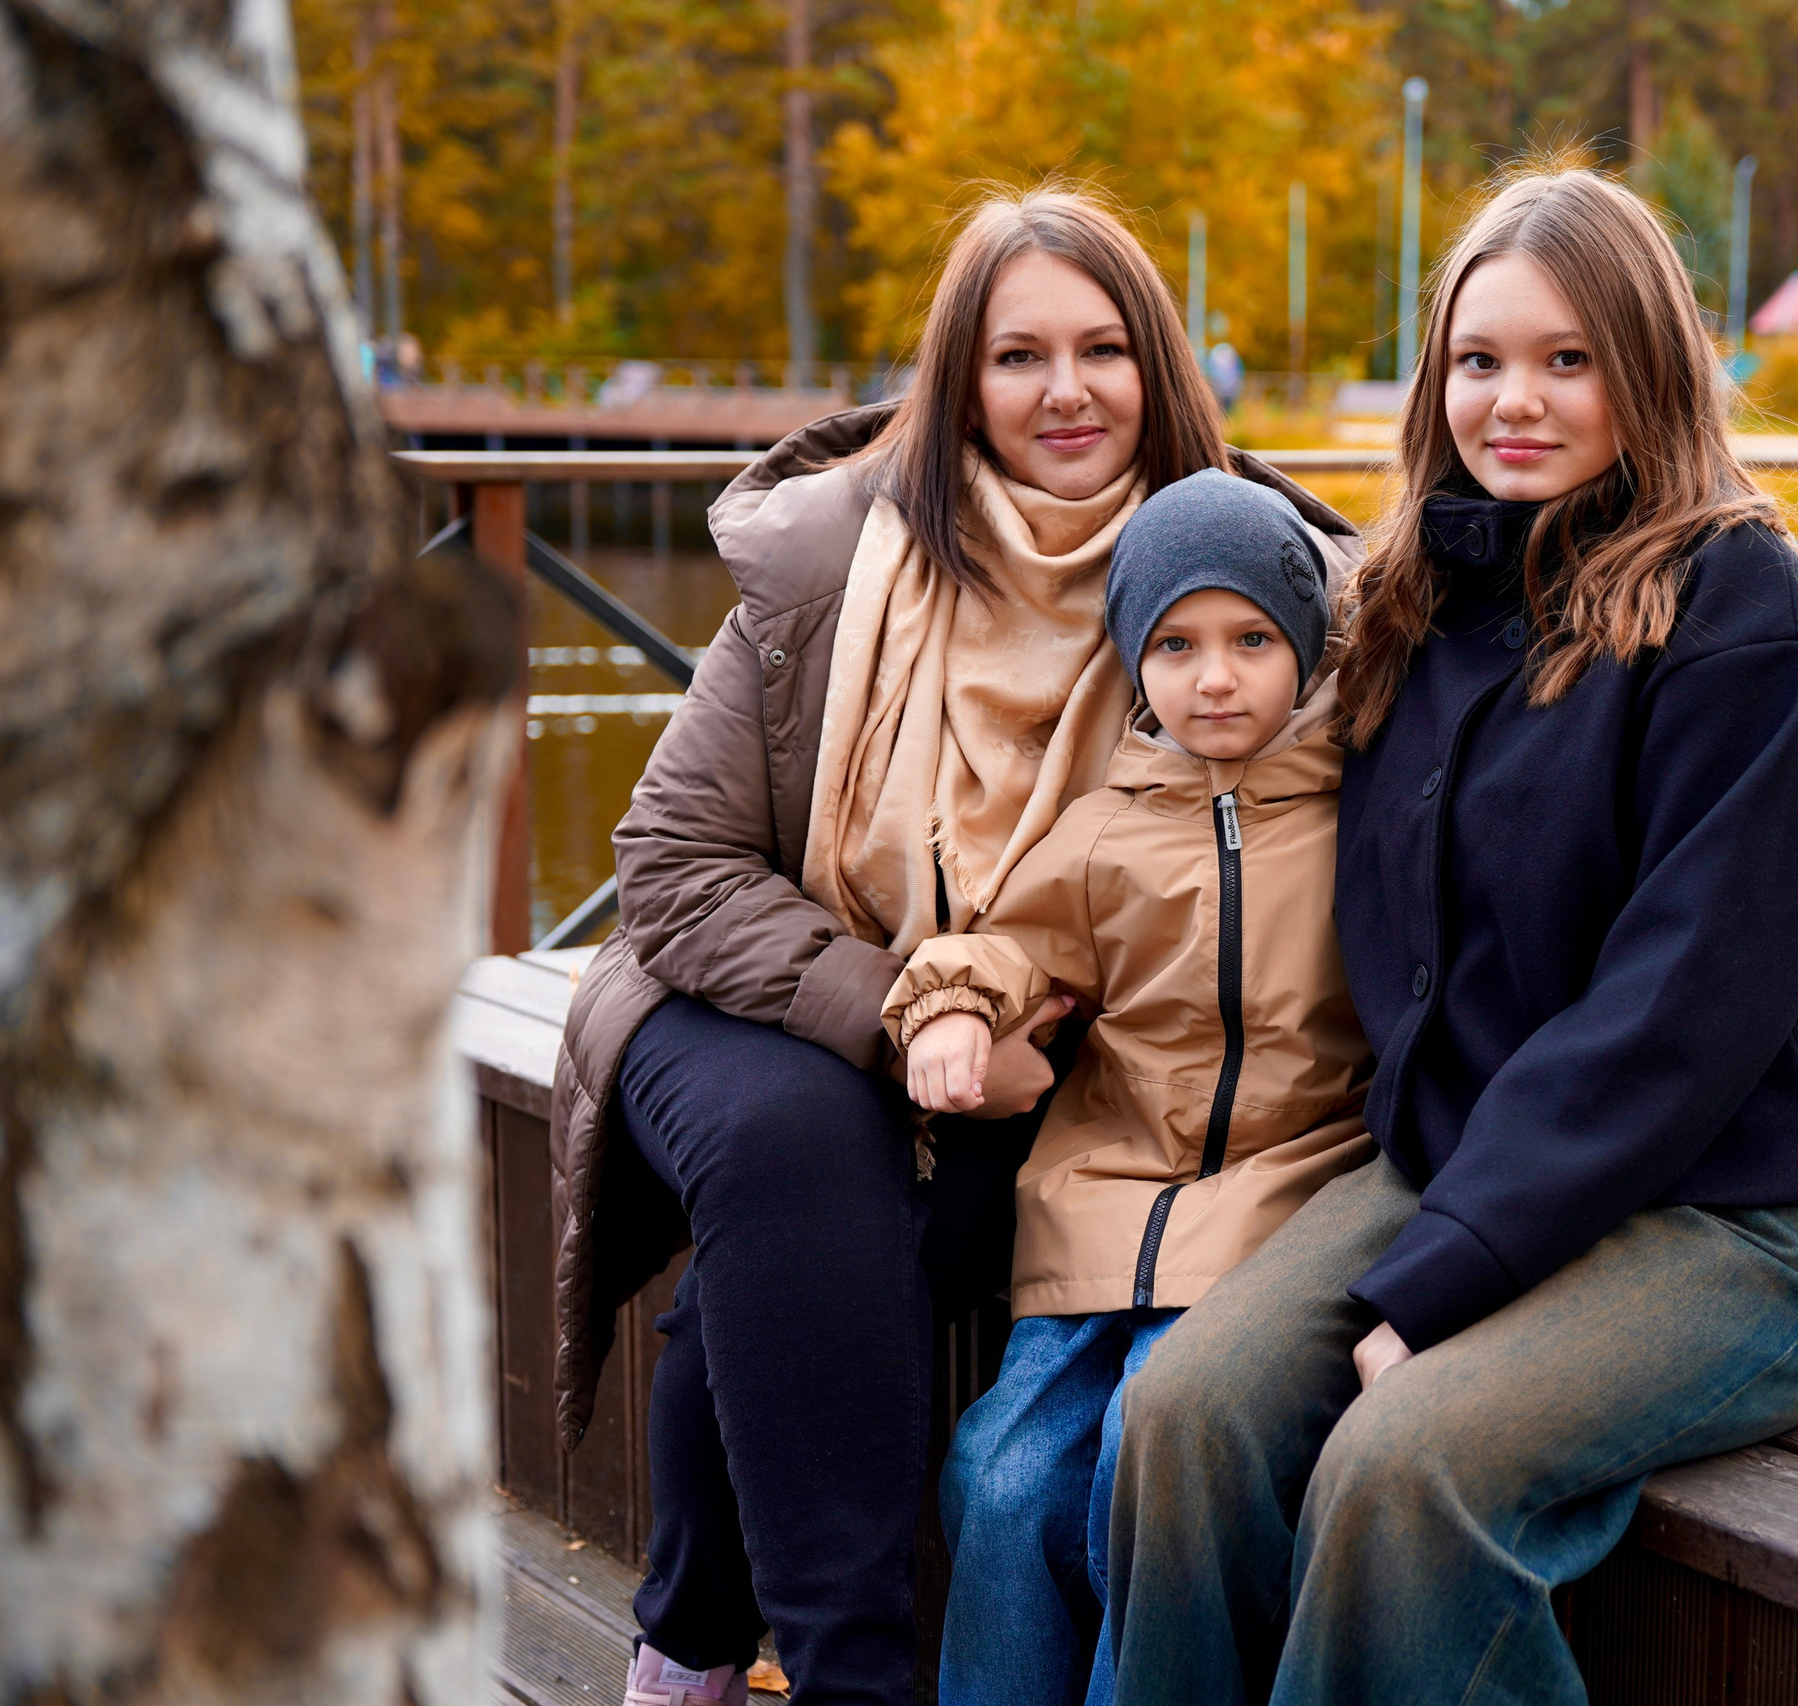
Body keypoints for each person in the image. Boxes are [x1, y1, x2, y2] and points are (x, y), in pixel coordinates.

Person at [1101, 164, 1798, 1704]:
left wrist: (1445, 1277)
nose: (1518, 402)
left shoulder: (1752, 631)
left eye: (1570, 360)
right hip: (1488, 1153)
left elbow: (1677, 1018)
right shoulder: (1426, 599)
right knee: (1182, 1416)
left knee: (1403, 1467)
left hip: (1770, 1208)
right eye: (1480, 361)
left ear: (1652, 367)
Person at [540, 188, 1363, 1706]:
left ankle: (690, 1641)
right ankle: (855, 1677)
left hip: (1030, 1042)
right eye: (1017, 355)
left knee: (800, 1248)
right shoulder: (836, 562)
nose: (1065, 390)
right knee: (801, 1140)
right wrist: (894, 1014)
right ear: (957, 383)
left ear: (1160, 369)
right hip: (745, 984)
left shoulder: (1256, 582)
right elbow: (670, 865)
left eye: (1104, 349)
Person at [884, 470, 1374, 1706]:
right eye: (1175, 644)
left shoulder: (1359, 811)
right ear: (1132, 660)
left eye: (1252, 639)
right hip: (1097, 1206)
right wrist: (949, 1003)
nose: (1215, 677)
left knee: (1136, 1463)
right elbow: (1007, 943)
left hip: (1273, 1204)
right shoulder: (1107, 827)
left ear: (1305, 645)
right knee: (1000, 1471)